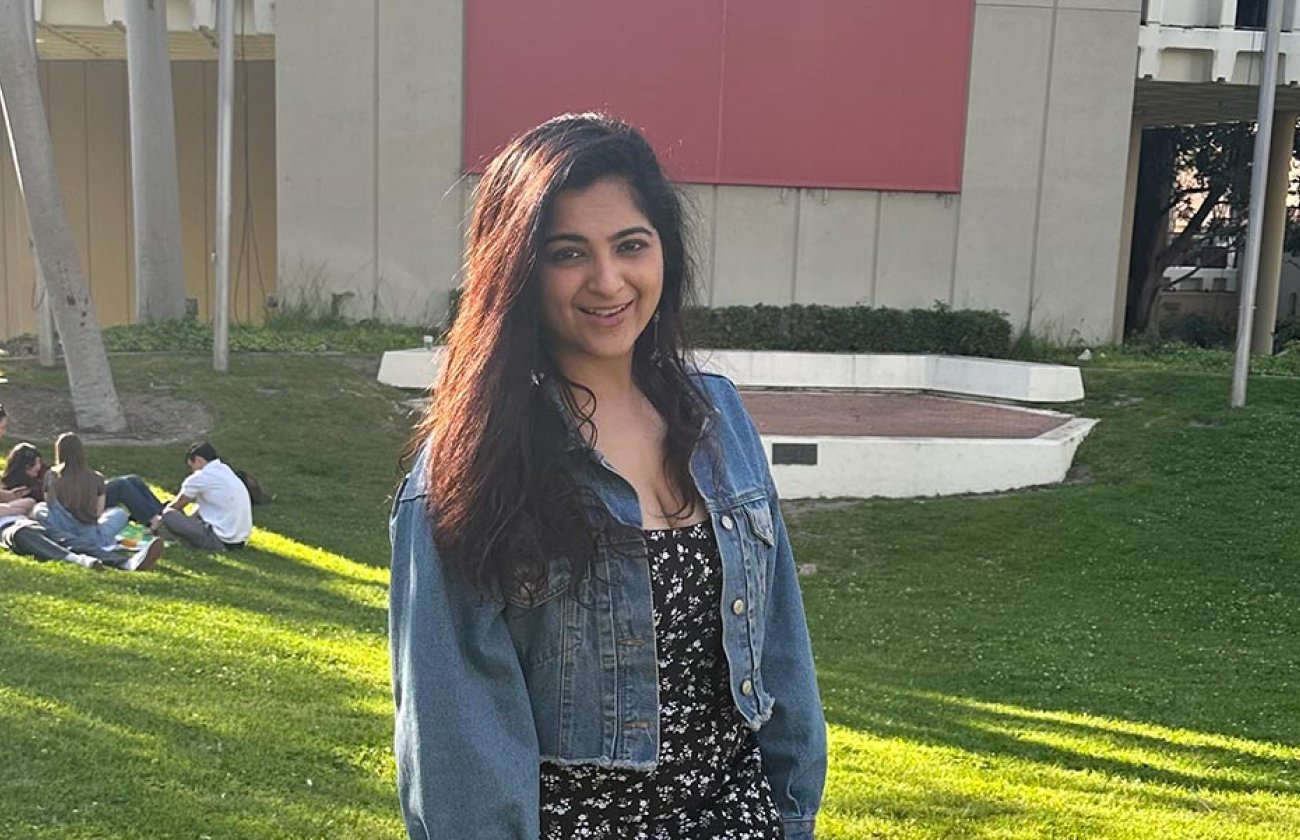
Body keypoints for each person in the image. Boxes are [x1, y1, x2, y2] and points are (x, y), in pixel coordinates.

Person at [390, 114, 826, 840]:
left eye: (631, 245)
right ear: (520, 270)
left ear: (665, 254)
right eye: (569, 253)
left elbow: (782, 648)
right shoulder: (470, 467)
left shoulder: (717, 418)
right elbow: (454, 740)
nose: (608, 280)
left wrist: (791, 815)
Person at [149, 442, 252, 551]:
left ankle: (166, 534)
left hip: (220, 540)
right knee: (195, 509)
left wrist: (158, 521)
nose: (192, 471)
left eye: (191, 466)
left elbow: (176, 505)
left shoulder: (201, 476)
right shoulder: (225, 470)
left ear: (198, 460)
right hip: (238, 541)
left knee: (168, 514)